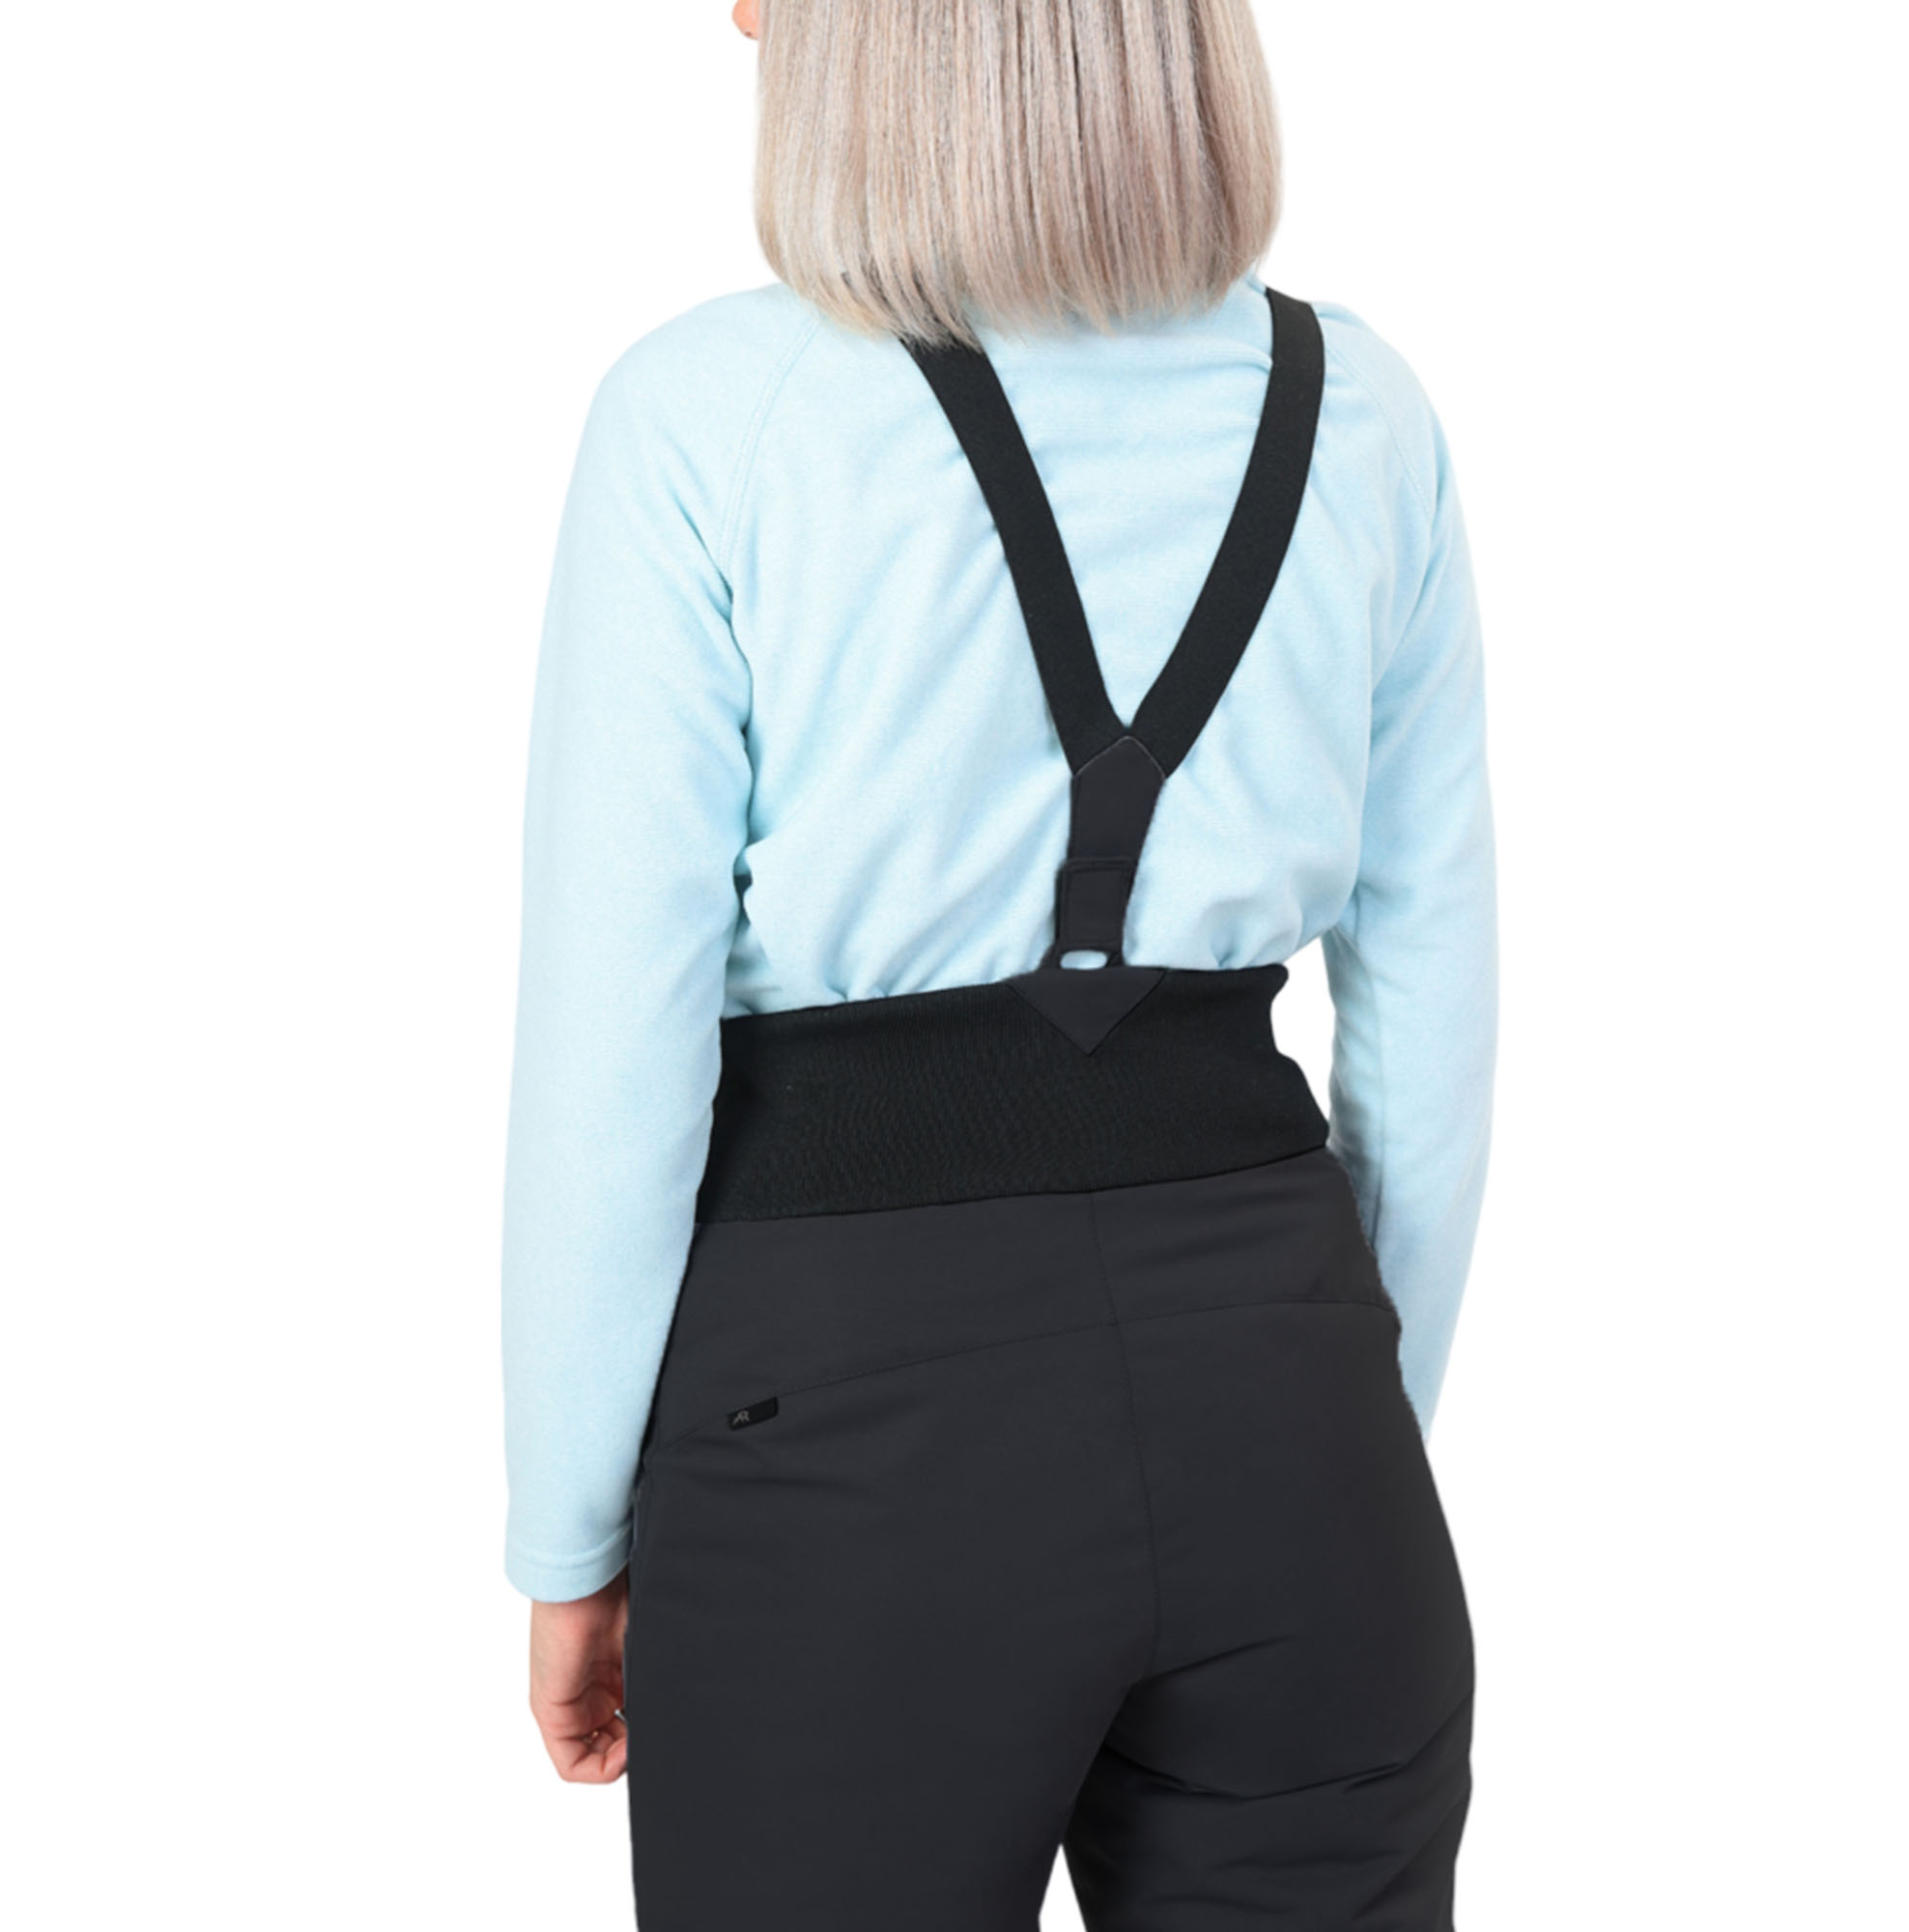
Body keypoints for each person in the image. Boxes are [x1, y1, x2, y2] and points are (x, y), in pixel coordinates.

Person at [502, 1, 1497, 1924]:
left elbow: (614, 1053)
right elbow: (1432, 1011)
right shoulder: (1360, 411)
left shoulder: (712, 414)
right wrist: (1338, 1423)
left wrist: (571, 1527)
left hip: (849, 1431)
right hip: (1295, 1409)